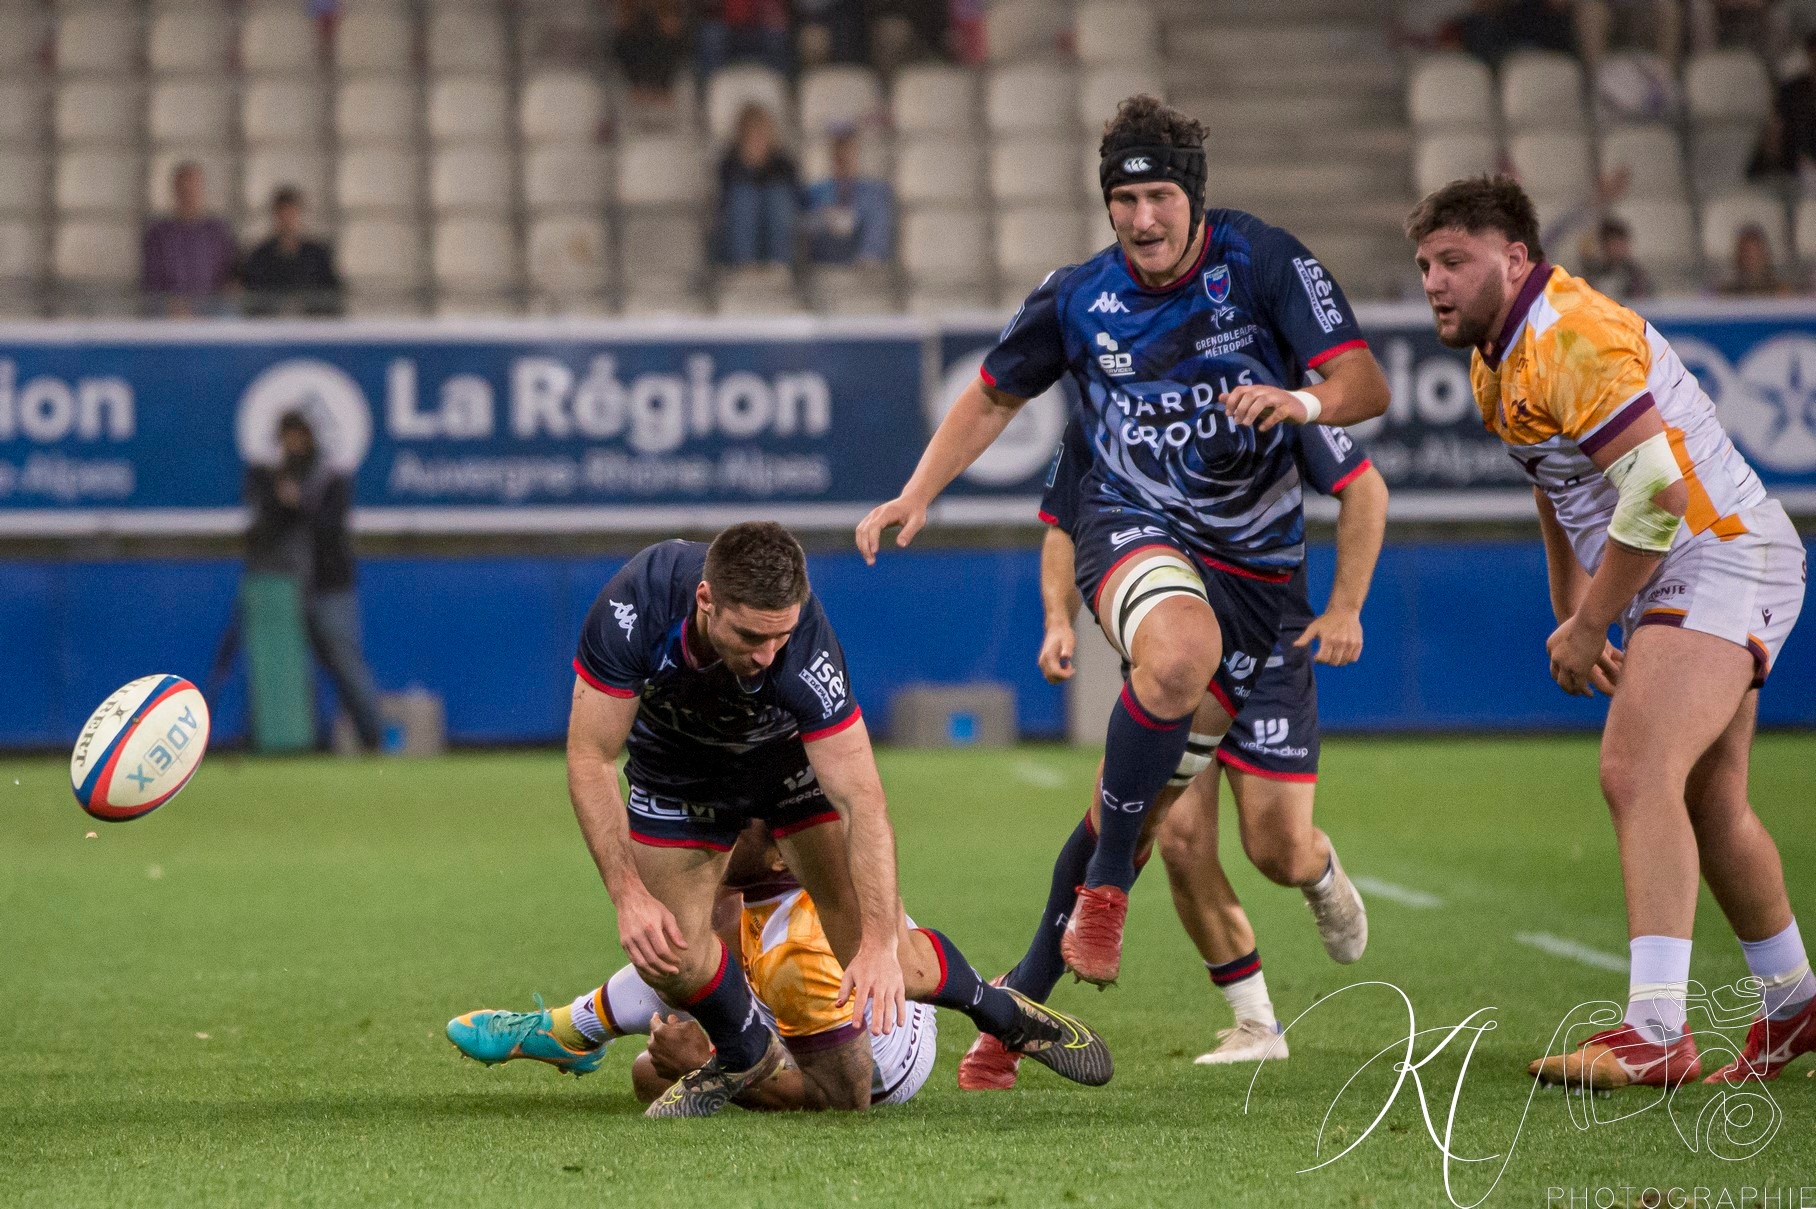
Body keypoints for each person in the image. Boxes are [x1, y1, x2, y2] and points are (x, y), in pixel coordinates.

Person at [856, 95, 1390, 990]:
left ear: (1194, 198)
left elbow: (1363, 382)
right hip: (1132, 527)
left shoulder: (1261, 260)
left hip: (1256, 577)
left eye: (1161, 200)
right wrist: (919, 492)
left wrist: (1300, 402)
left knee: (1160, 816)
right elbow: (993, 395)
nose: (1143, 219)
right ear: (1107, 203)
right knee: (1178, 660)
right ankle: (1108, 896)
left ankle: (1021, 1006)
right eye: (1125, 200)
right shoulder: (1079, 296)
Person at [1407, 175, 1811, 1089]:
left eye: (1455, 261)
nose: (1434, 281)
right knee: (1708, 801)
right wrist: (1574, 610)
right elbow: (1558, 483)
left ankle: (1657, 1030)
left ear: (1516, 259)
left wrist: (1593, 626)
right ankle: (1795, 1005)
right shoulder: (1494, 356)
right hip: (1688, 559)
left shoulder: (1570, 337)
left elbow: (1661, 497)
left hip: (1721, 551)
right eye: (1426, 264)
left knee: (1635, 768)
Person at [505, 523, 1108, 1118]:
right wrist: (627, 895)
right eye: (749, 637)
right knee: (667, 953)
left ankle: (1002, 1013)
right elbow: (591, 757)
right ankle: (742, 1050)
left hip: (789, 768)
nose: (767, 656)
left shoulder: (807, 648)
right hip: (678, 771)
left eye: (780, 638)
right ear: (706, 600)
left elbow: (861, 800)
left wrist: (875, 944)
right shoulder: (635, 606)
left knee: (885, 959)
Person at [959, 416, 1389, 1088]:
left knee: (1277, 847)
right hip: (1175, 647)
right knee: (1174, 833)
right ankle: (1254, 1022)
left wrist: (1347, 606)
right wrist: (1054, 620)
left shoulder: (1258, 380)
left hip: (1268, 650)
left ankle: (1319, 871)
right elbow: (1062, 525)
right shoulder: (1105, 393)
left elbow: (1365, 488)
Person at [448, 822, 939, 1111]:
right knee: (686, 955)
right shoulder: (779, 863)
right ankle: (569, 1031)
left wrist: (706, 1065)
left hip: (874, 1063)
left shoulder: (799, 951)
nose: (723, 826)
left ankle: (571, 1031)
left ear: (777, 857)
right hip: (823, 974)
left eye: (738, 825)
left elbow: (840, 1097)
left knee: (653, 1071)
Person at [244, 411, 385, 751]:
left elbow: (328, 527)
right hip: (285, 589)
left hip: (329, 585)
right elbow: (263, 528)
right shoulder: (275, 477)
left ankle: (375, 738)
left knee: (345, 661)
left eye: (297, 435)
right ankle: (294, 741)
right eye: (285, 437)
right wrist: (280, 502)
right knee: (288, 670)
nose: (291, 444)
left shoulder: (329, 477)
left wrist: (298, 503)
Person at [141, 162, 238, 317]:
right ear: (175, 191)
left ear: (201, 190)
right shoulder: (158, 233)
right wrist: (174, 305)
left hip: (211, 309)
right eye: (183, 190)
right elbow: (152, 279)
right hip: (169, 309)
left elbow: (230, 275)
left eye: (193, 189)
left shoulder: (218, 231)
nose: (188, 195)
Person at [716, 104, 800, 267]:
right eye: (752, 134)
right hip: (740, 229)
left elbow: (794, 196)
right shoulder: (729, 163)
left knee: (778, 198)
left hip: (774, 225)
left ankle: (778, 265)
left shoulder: (783, 163)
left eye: (761, 133)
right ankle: (744, 265)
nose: (757, 139)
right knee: (743, 199)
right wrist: (749, 163)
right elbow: (725, 198)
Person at [240, 186, 343, 318]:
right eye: (283, 214)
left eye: (292, 213)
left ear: (299, 214)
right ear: (275, 216)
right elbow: (252, 297)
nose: (287, 220)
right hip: (269, 327)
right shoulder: (260, 256)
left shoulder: (318, 255)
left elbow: (333, 294)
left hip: (312, 327)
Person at [802, 128, 893, 266]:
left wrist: (853, 219)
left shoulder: (875, 192)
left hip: (861, 255)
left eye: (848, 154)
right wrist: (826, 219)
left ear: (856, 156)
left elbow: (877, 226)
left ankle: (869, 259)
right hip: (827, 254)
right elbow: (801, 224)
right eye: (839, 156)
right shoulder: (815, 191)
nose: (843, 160)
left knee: (877, 202)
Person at [1581, 216, 1655, 303]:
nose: (1618, 249)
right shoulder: (1593, 274)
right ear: (1604, 246)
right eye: (1613, 244)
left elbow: (1643, 303)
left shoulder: (1637, 276)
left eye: (1621, 244)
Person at [1717, 223, 1799, 297]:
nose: (1750, 261)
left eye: (1755, 254)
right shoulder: (1726, 295)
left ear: (1765, 256)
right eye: (1746, 254)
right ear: (1738, 258)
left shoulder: (1782, 293)